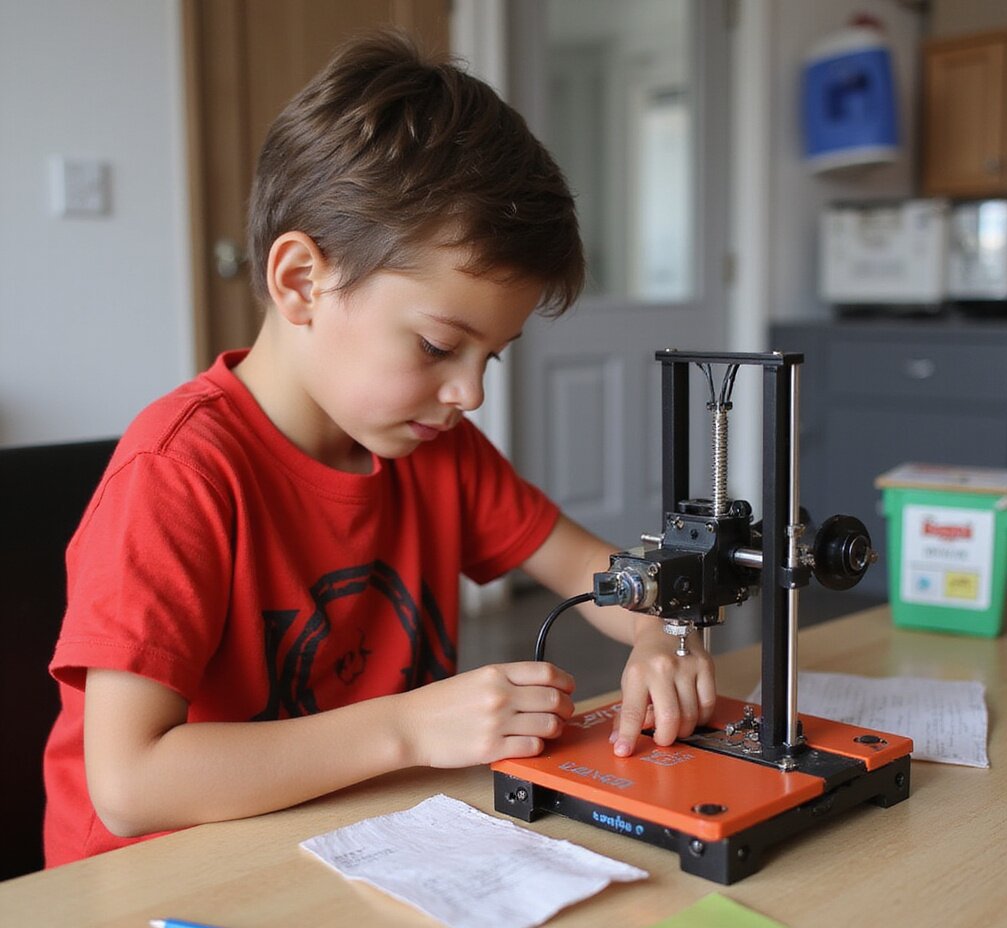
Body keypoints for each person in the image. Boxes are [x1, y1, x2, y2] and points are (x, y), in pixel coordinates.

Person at [43, 30, 715, 867]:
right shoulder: (178, 473)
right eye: (439, 347)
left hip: (345, 844)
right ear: (300, 282)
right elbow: (130, 784)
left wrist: (664, 634)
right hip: (157, 890)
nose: (470, 393)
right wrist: (408, 727)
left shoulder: (439, 450)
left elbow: (609, 577)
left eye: (490, 358)